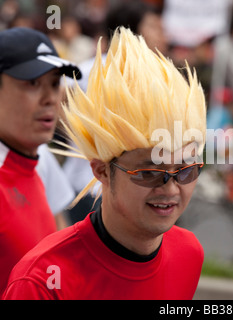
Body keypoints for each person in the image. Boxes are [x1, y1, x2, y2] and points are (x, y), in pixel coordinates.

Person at [3, 26, 206, 300]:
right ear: (101, 170)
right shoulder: (41, 280)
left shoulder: (189, 254)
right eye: (147, 172)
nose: (170, 188)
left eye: (186, 170)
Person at [62, 0, 168, 224]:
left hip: (133, 191)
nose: (162, 34)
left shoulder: (158, 77)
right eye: (153, 26)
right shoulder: (91, 72)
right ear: (130, 31)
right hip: (92, 190)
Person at [0, 26, 81, 295]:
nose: (50, 99)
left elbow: (62, 240)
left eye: (55, 83)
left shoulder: (41, 157)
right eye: (32, 83)